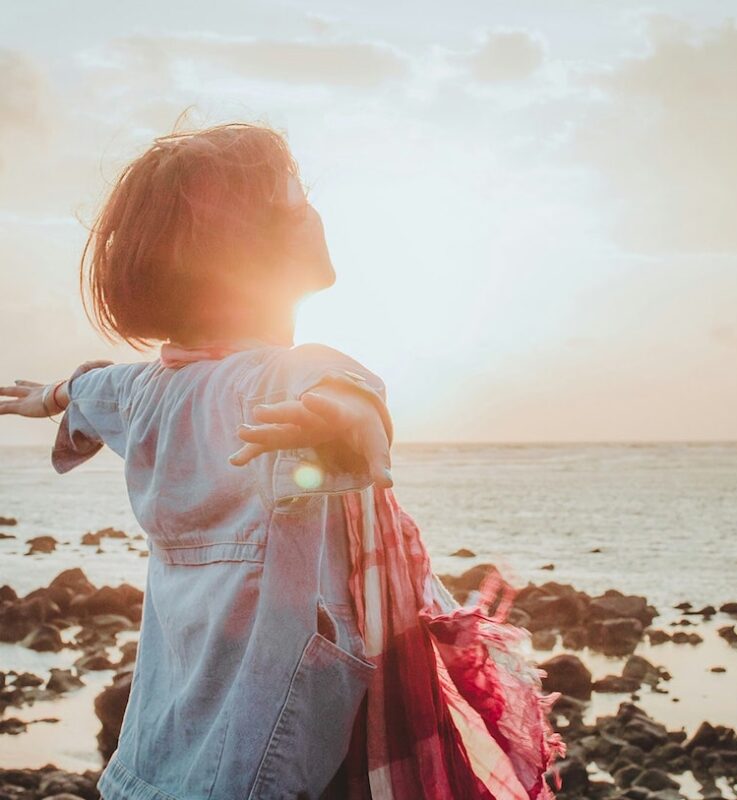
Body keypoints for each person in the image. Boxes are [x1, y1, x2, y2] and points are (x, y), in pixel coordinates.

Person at [1, 122, 563, 799]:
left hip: (161, 755)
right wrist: (337, 424)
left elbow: (91, 391)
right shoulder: (291, 376)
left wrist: (48, 395)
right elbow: (350, 399)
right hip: (277, 758)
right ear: (241, 249)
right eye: (295, 198)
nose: (315, 210)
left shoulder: (146, 390)